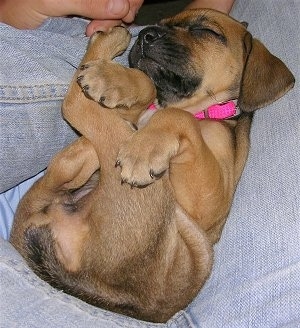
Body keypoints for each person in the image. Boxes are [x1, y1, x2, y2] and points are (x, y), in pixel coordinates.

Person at [1, 0, 299, 327]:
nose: (150, 36)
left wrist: (171, 123)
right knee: (103, 130)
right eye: (158, 29)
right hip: (55, 240)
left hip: (126, 267)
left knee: (103, 125)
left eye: (203, 32)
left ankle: (82, 103)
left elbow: (203, 208)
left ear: (248, 67)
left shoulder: (218, 134)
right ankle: (84, 105)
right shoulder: (164, 118)